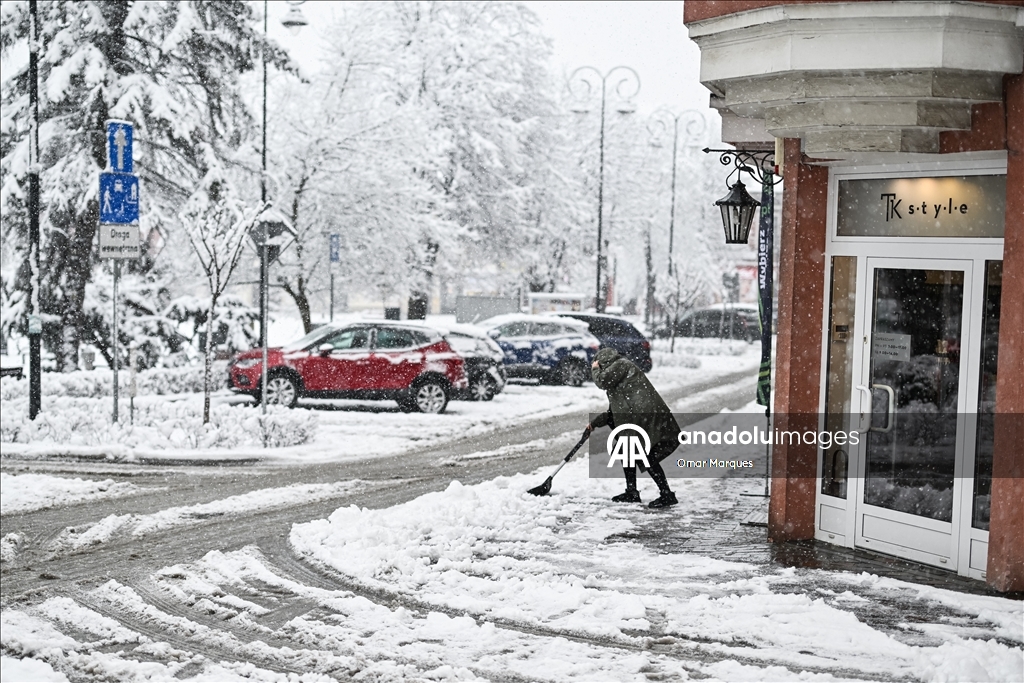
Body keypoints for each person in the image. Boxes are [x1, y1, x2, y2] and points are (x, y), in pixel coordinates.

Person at [589, 346, 680, 508]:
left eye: (600, 366)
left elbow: (601, 381)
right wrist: (594, 423)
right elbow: (614, 411)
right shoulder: (620, 375)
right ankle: (632, 492)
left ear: (604, 362)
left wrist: (594, 370)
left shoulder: (620, 365)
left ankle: (666, 494)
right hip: (639, 417)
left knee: (645, 454)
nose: (599, 369)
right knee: (627, 451)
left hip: (645, 417)